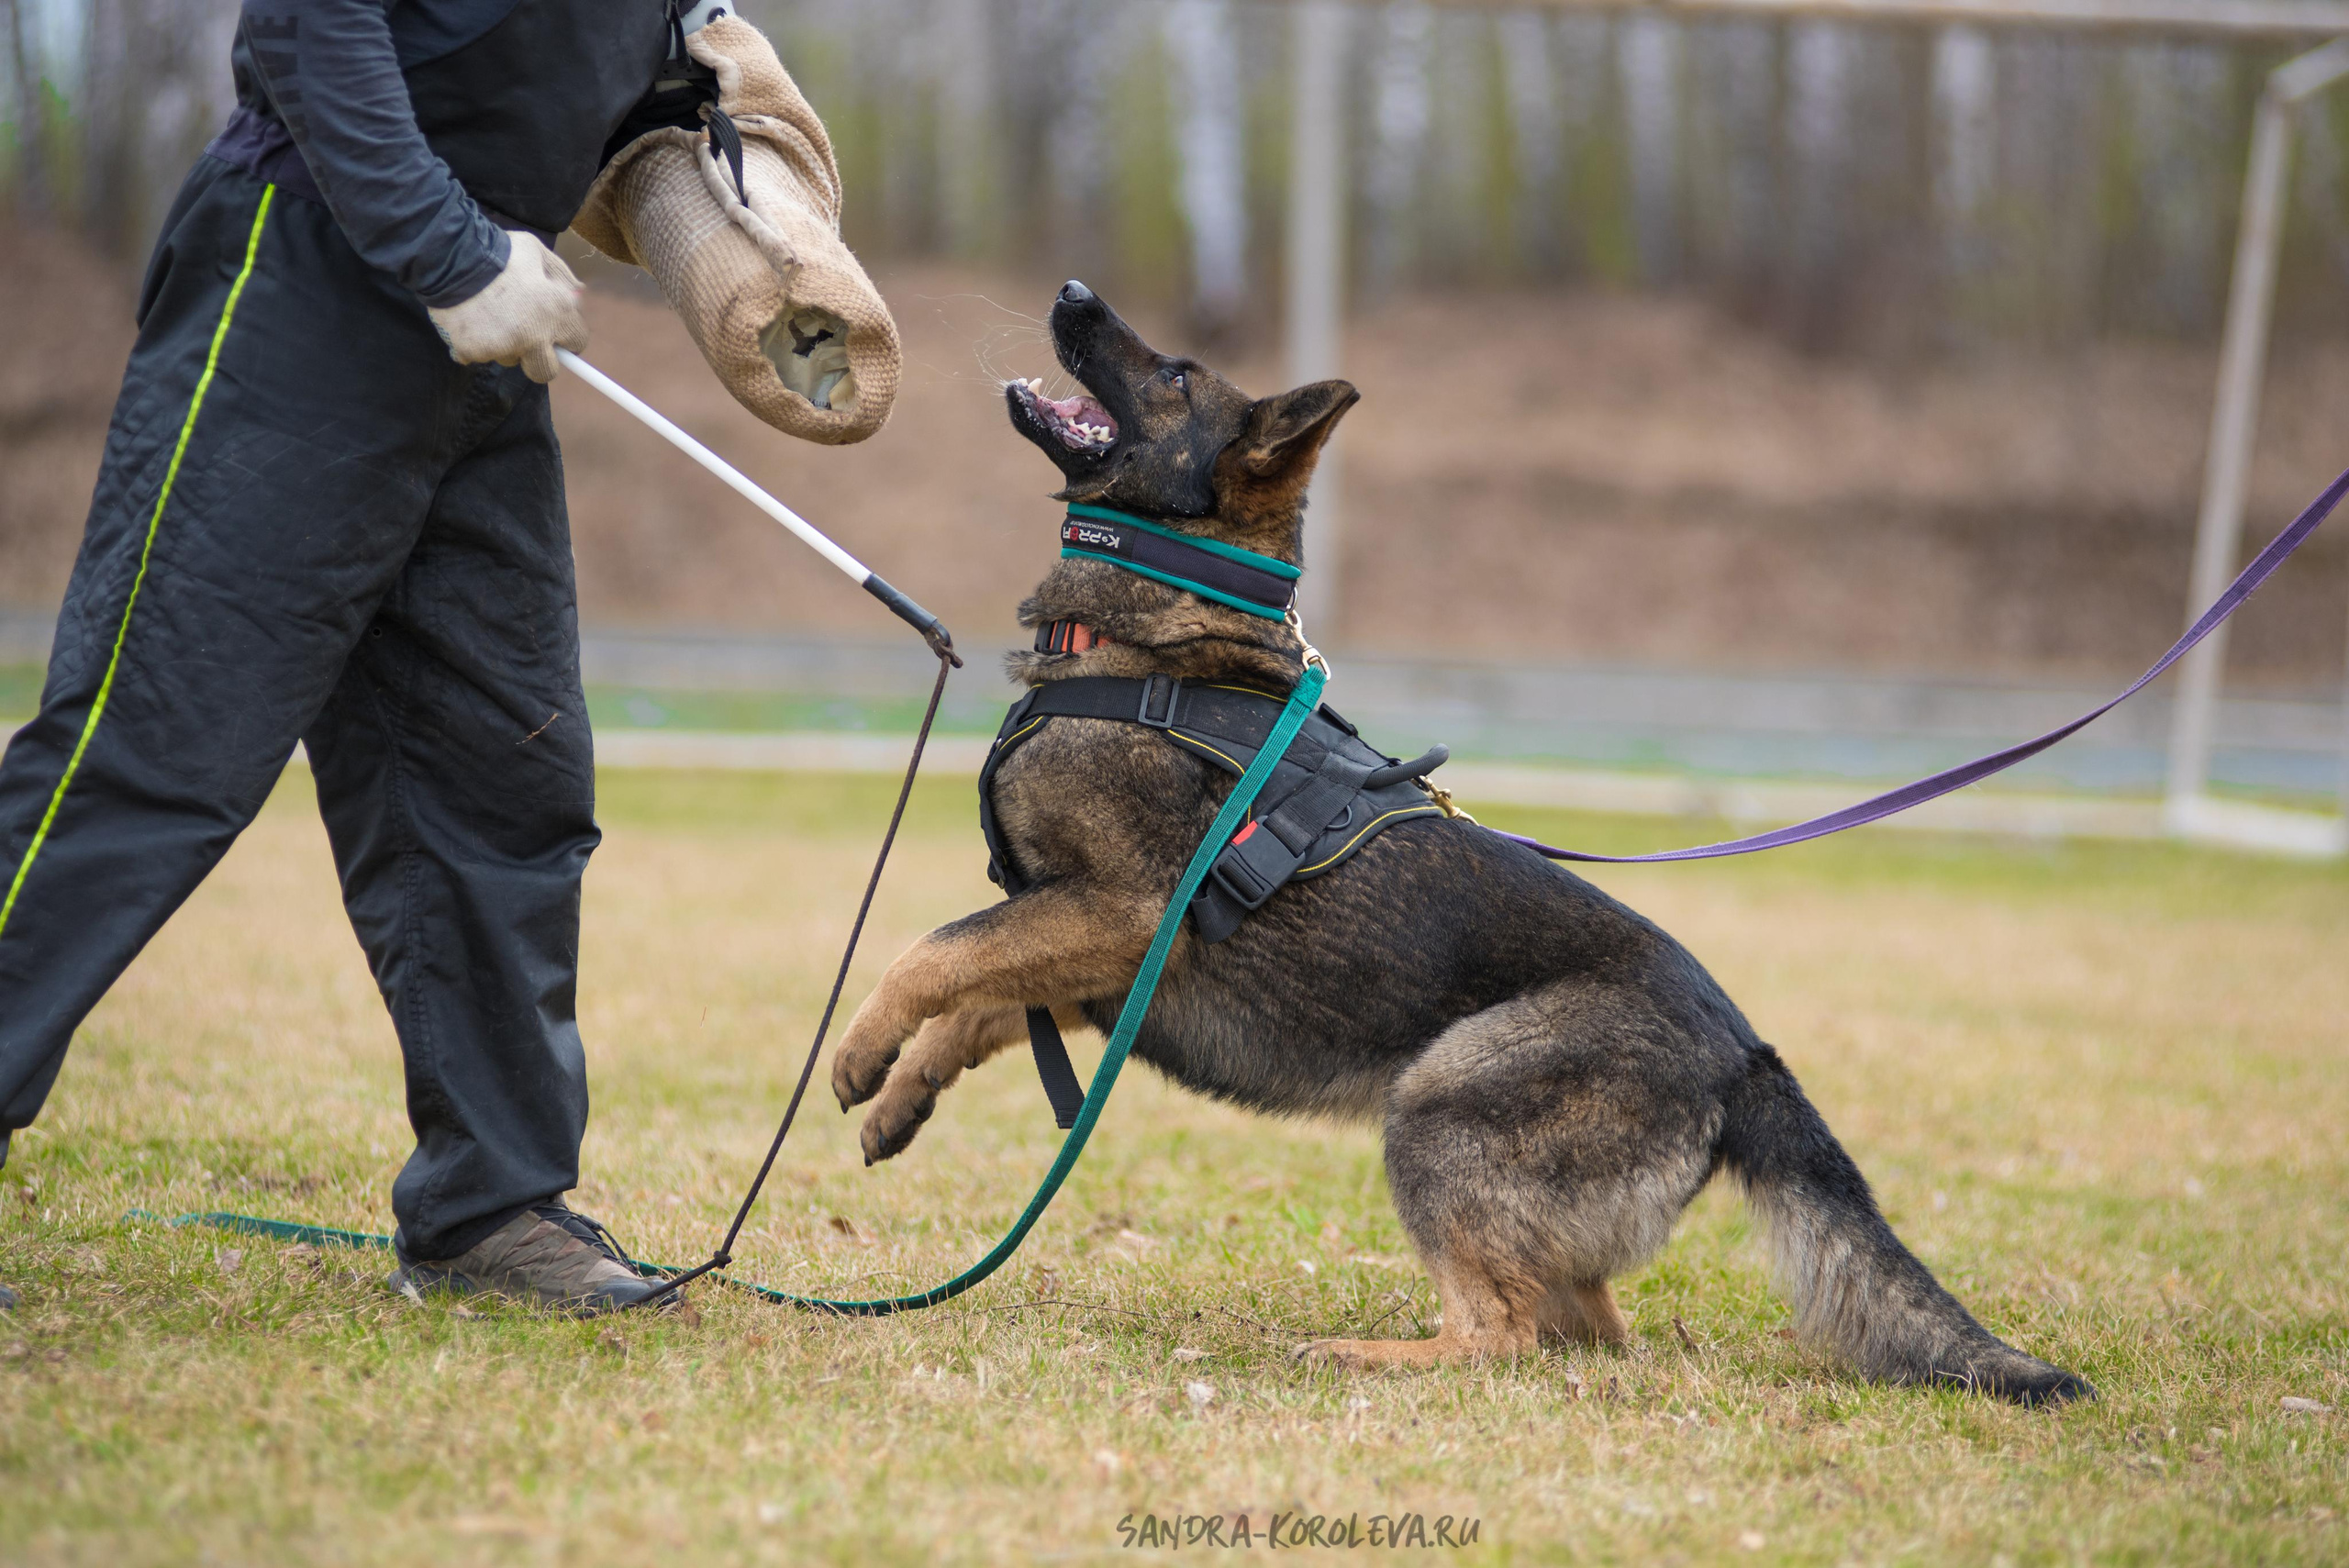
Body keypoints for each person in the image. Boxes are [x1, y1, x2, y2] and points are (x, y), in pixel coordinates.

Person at [0, 0, 728, 1316]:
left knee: (501, 779)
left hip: (487, 338)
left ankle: (486, 1208)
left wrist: (702, 92)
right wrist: (446, 254)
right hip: (312, 282)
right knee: (151, 752)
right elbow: (304, 21)